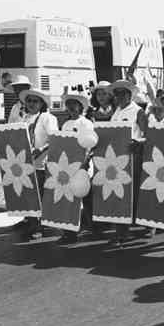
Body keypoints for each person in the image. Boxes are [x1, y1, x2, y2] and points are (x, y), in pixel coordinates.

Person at [108, 80, 147, 245]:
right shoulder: (115, 112)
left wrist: (138, 142)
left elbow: (149, 135)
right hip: (117, 159)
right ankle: (121, 231)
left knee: (135, 194)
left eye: (123, 93)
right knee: (120, 194)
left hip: (134, 158)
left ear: (130, 95)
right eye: (117, 94)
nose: (120, 96)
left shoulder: (138, 112)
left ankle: (145, 225)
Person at [16, 89, 59, 240]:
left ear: (42, 103)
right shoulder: (25, 118)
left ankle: (39, 227)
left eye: (35, 101)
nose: (32, 104)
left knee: (39, 196)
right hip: (25, 163)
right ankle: (31, 222)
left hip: (42, 163)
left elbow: (54, 138)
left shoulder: (47, 118)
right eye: (29, 101)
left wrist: (41, 149)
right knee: (28, 195)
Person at [58, 94, 95, 244]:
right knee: (70, 198)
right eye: (69, 104)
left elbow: (91, 144)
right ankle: (70, 231)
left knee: (86, 198)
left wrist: (85, 162)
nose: (72, 107)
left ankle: (92, 227)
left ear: (81, 106)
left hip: (83, 165)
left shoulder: (86, 123)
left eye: (75, 104)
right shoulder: (66, 124)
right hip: (68, 166)